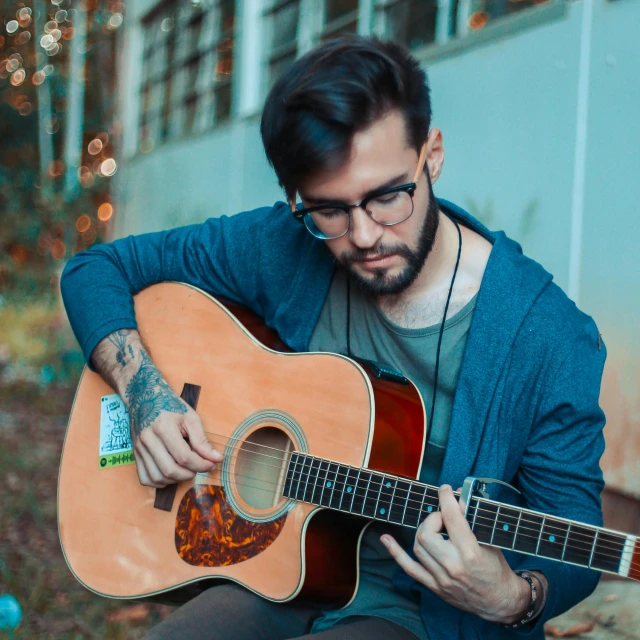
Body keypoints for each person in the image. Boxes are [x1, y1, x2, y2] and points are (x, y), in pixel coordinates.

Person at [60, 35, 607, 640]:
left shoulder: (550, 337)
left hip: (415, 614)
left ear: (433, 155)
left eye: (388, 196)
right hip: (272, 570)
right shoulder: (286, 244)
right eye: (331, 210)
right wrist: (145, 394)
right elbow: (95, 271)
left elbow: (573, 528)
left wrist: (513, 598)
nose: (366, 234)